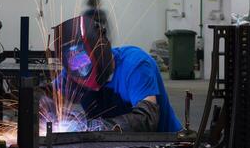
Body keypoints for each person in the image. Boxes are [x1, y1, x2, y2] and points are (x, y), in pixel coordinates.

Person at [53, 16, 182, 132]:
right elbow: (44, 97)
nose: (81, 66)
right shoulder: (74, 71)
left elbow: (147, 119)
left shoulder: (135, 65)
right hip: (110, 145)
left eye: (84, 59)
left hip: (163, 143)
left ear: (99, 50)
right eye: (76, 62)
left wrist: (95, 127)